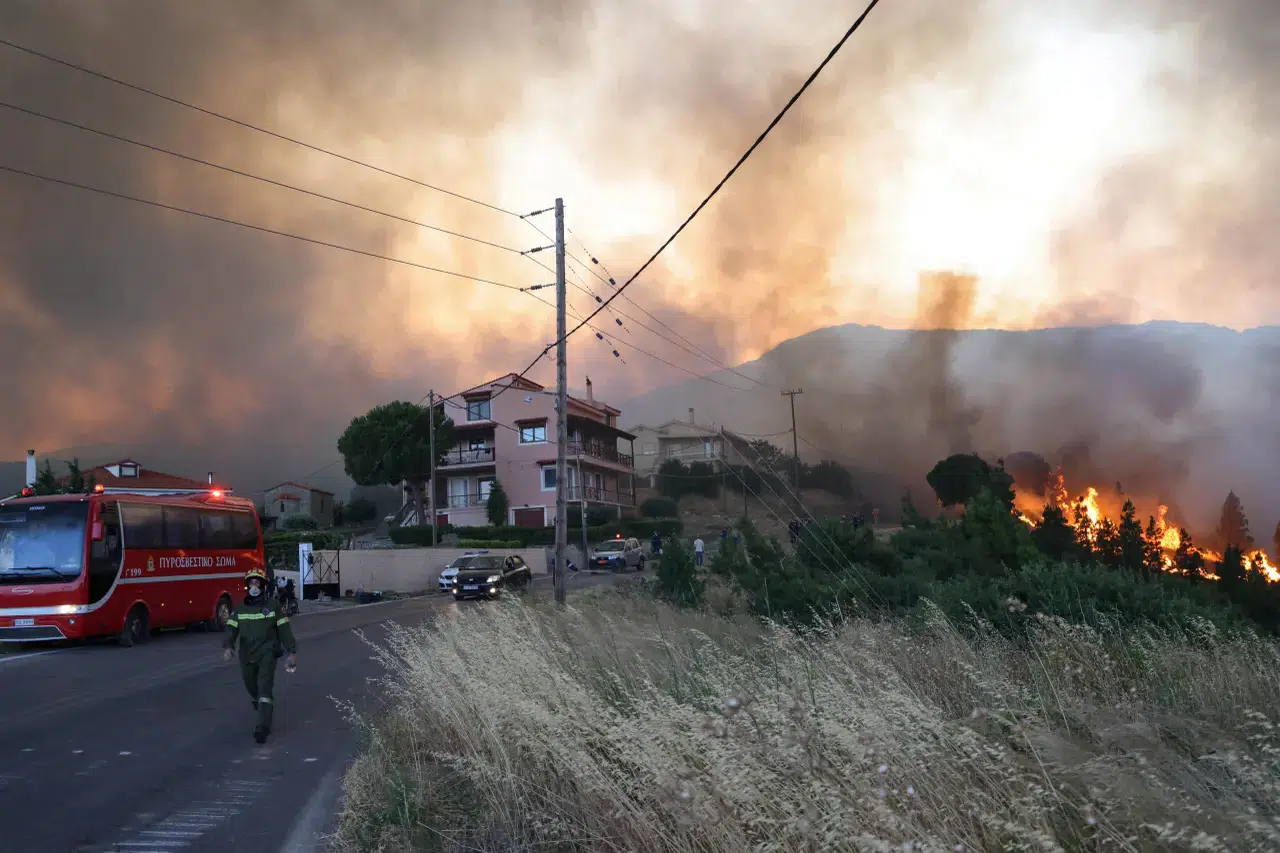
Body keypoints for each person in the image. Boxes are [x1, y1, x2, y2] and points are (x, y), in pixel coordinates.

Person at [223, 567, 297, 744]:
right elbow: (231, 629)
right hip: (247, 654)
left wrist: (291, 651)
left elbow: (284, 629)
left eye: (257, 583)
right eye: (251, 583)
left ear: (263, 586)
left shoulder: (273, 607)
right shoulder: (240, 609)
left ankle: (262, 727)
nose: (254, 586)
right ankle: (262, 704)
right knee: (251, 686)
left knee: (264, 687)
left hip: (267, 653)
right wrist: (228, 646)